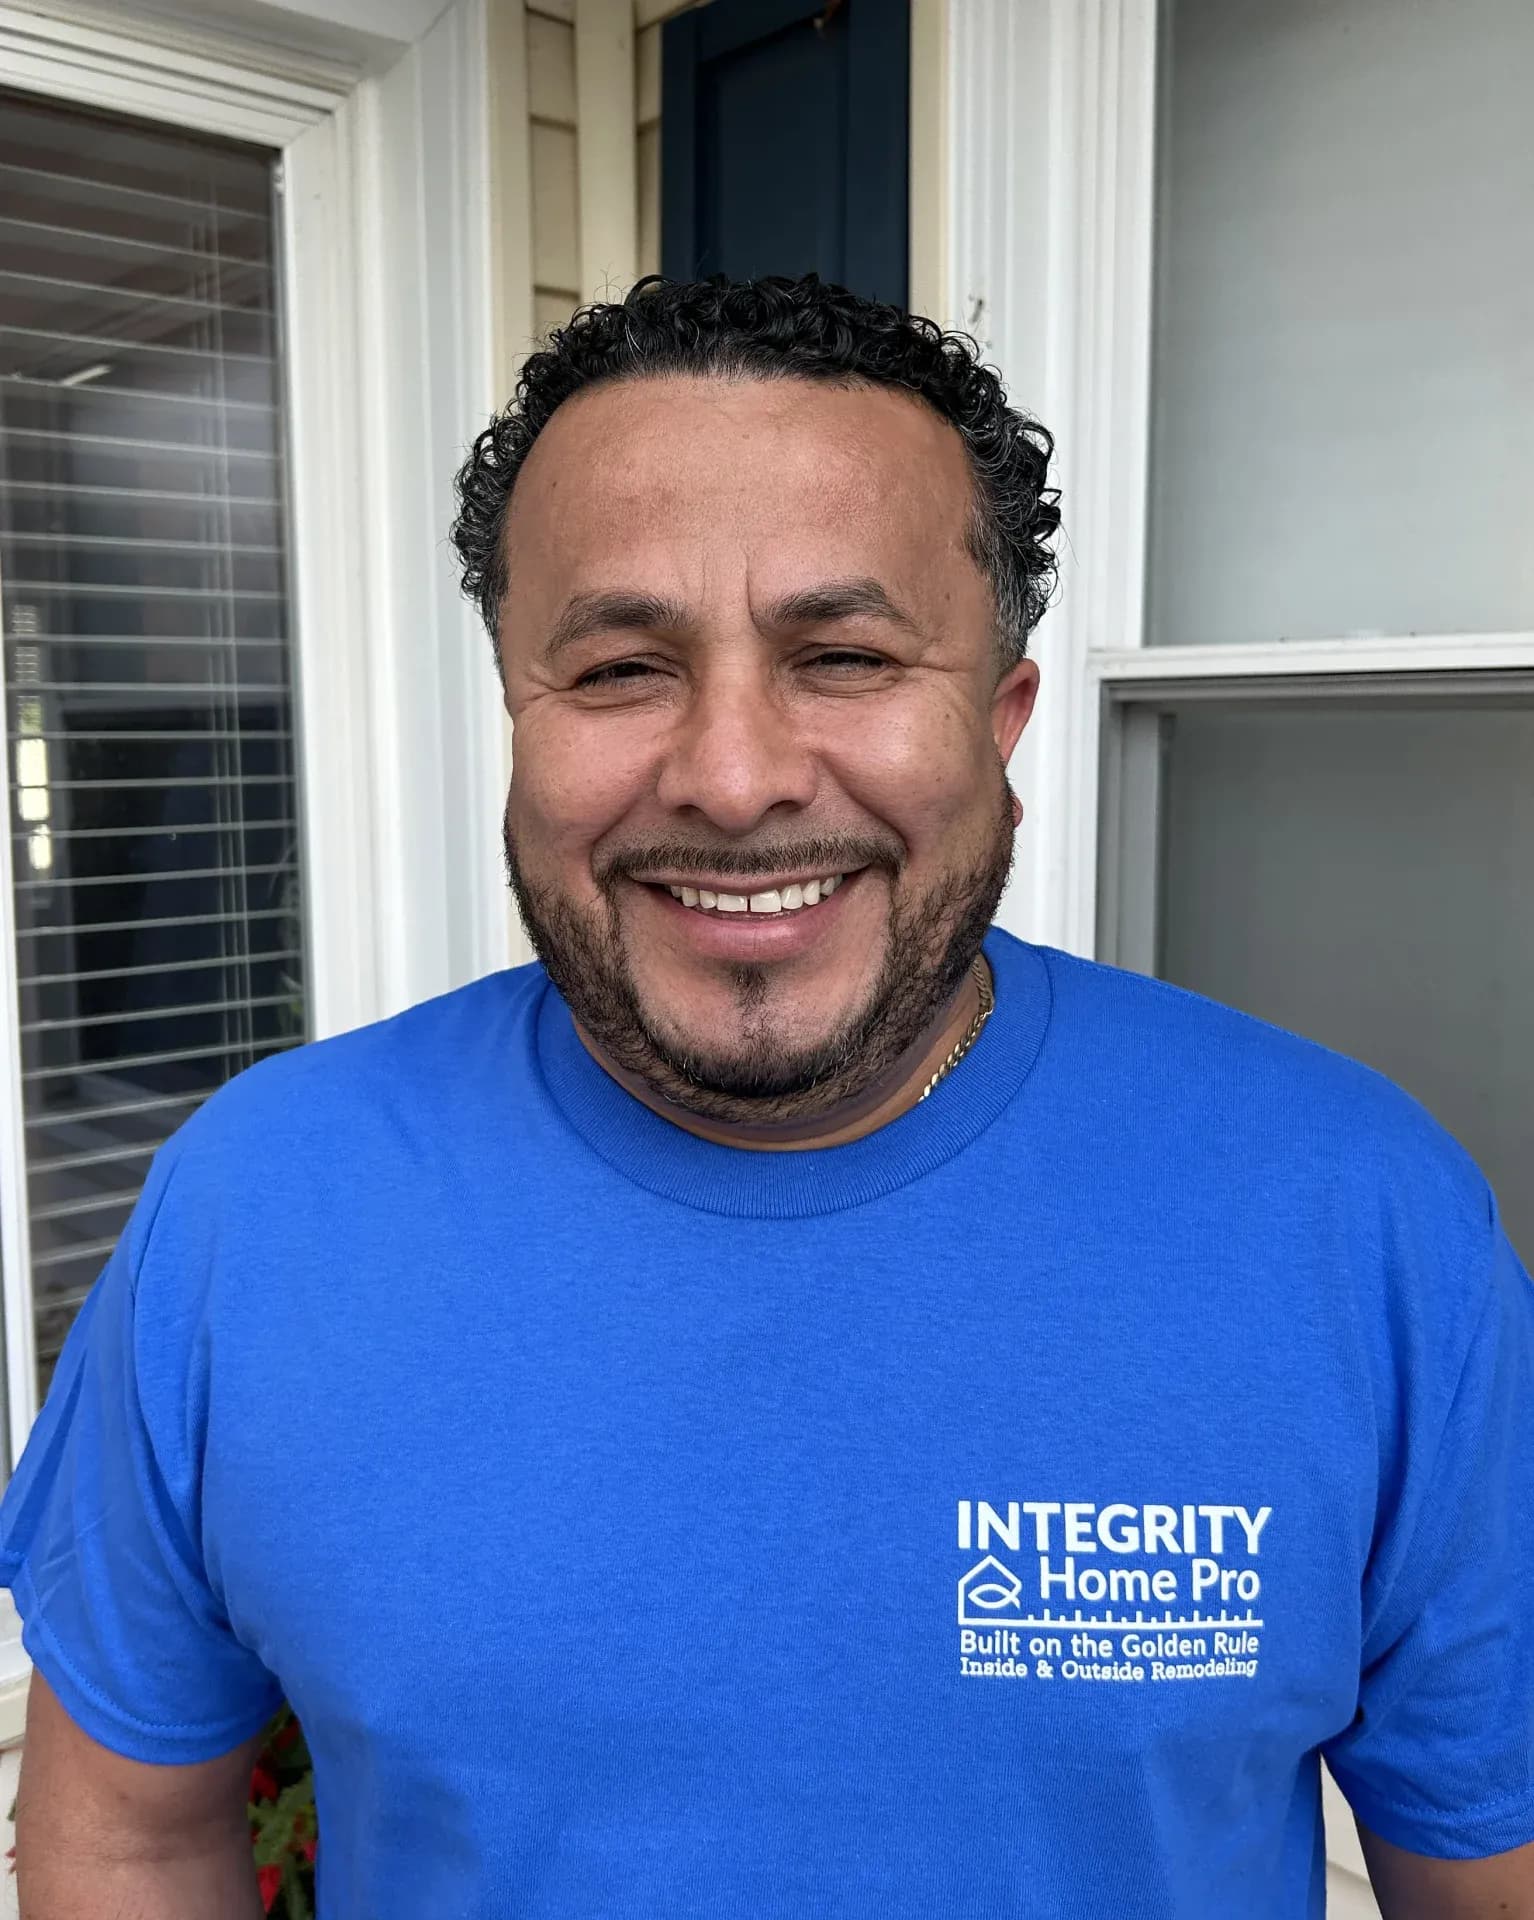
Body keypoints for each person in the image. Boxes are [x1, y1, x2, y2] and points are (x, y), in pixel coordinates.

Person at [2, 274, 1531, 1920]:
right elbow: (132, 1828)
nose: (734, 777)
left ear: (1000, 723)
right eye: (617, 670)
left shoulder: (1353, 1217)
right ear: (517, 712)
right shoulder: (260, 1206)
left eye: (845, 653)